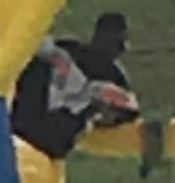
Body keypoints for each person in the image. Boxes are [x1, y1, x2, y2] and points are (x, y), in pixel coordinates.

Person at [8, 8, 138, 160]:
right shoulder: (69, 50)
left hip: (55, 130)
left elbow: (125, 109)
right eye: (117, 40)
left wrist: (100, 108)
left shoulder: (116, 79)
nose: (121, 47)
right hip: (33, 110)